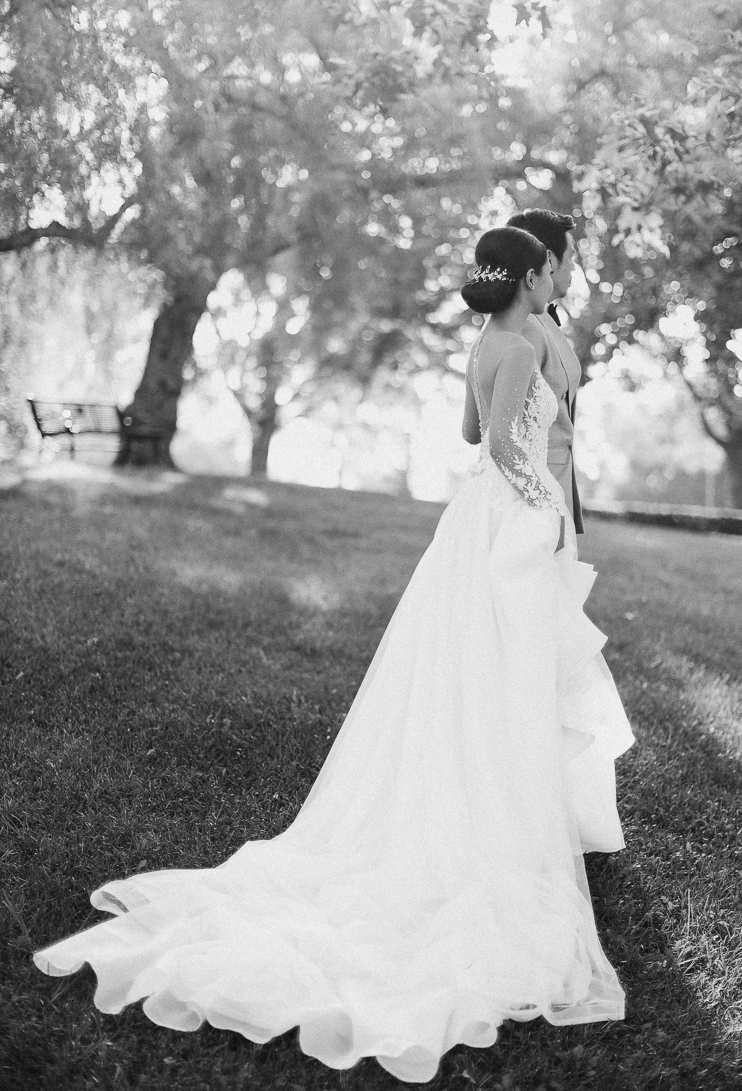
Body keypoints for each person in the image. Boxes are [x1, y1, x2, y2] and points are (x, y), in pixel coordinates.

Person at [33, 226, 634, 1086]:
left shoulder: (485, 344)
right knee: (501, 667)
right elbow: (505, 446)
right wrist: (544, 507)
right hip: (508, 523)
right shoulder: (517, 348)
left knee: (466, 667)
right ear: (529, 279)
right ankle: (494, 803)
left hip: (474, 521)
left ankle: (486, 781)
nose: (554, 282)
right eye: (548, 272)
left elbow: (469, 431)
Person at [506, 208, 584, 533]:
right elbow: (506, 428)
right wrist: (542, 503)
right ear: (549, 259)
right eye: (572, 256)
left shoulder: (542, 320)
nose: (574, 266)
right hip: (536, 491)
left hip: (556, 482)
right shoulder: (526, 326)